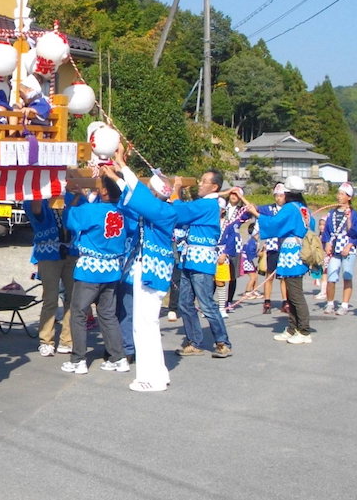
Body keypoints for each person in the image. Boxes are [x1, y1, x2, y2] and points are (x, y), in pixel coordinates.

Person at [108, 155, 177, 393]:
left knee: (145, 325)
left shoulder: (163, 211)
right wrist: (116, 174)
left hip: (152, 272)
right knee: (146, 324)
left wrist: (124, 168)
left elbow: (139, 197)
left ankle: (152, 378)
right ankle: (158, 373)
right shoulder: (158, 209)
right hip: (149, 270)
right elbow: (135, 198)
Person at [62, 174, 132, 375]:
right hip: (112, 271)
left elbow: (69, 220)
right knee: (108, 315)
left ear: (104, 191)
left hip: (90, 271)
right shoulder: (123, 213)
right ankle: (118, 358)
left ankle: (78, 359)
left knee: (78, 313)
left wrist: (75, 198)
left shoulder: (91, 210)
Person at [242, 176, 315, 344]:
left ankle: (303, 331)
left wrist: (255, 214)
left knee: (295, 294)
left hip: (292, 252)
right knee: (291, 292)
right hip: (298, 250)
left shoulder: (290, 208)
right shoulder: (303, 208)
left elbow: (274, 223)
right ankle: (292, 328)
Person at [171, 170, 233, 358]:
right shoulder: (204, 204)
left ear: (214, 187)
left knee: (206, 303)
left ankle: (222, 342)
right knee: (184, 303)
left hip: (202, 260)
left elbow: (181, 212)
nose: (200, 183)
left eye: (205, 181)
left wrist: (176, 189)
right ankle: (194, 341)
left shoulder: (208, 204)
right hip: (190, 258)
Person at [24, 196, 75, 358]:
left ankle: (67, 340)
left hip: (72, 251)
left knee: (72, 298)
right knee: (50, 298)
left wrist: (79, 195)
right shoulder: (36, 197)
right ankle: (46, 341)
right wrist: (40, 191)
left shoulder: (70, 193)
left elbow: (80, 213)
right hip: (48, 252)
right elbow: (37, 212)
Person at [321, 182, 357, 316]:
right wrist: (327, 242)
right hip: (334, 248)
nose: (339, 196)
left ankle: (344, 304)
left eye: (342, 194)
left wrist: (350, 245)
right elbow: (327, 230)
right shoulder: (331, 213)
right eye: (338, 193)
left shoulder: (354, 214)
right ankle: (330, 303)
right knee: (331, 276)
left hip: (347, 248)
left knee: (347, 275)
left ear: (349, 197)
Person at [258, 183, 288, 314]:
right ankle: (267, 301)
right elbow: (256, 209)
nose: (278, 198)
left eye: (281, 195)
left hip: (286, 246)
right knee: (269, 275)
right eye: (277, 195)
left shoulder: (289, 209)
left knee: (283, 277)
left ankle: (285, 301)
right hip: (272, 246)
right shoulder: (269, 209)